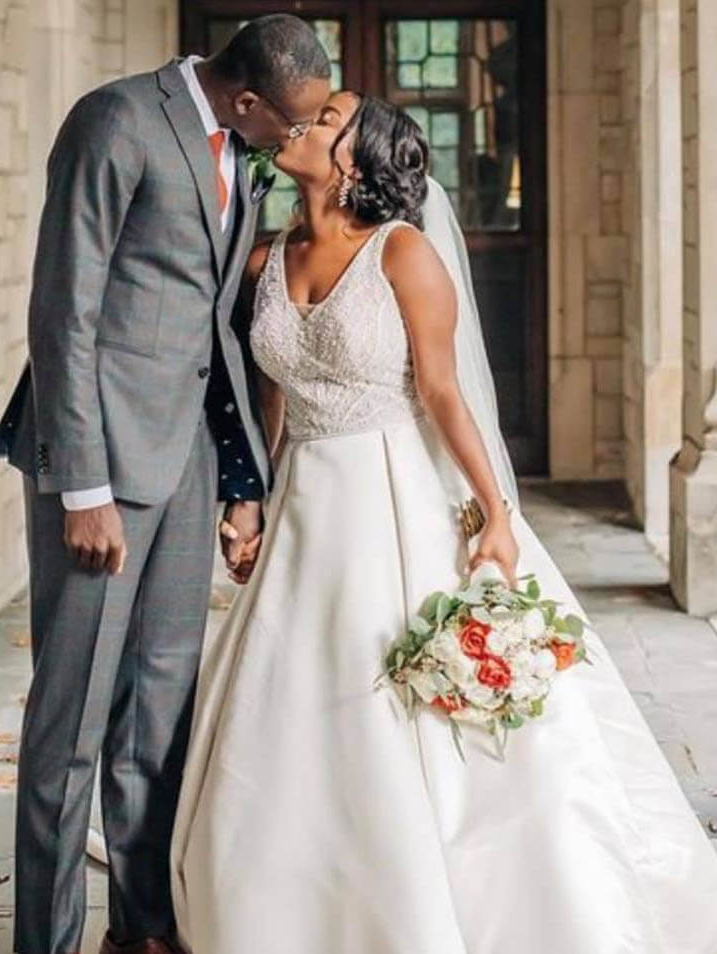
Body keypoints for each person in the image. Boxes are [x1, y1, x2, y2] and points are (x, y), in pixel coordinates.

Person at [169, 91, 717, 954]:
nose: (303, 122)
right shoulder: (267, 258)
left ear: (355, 157)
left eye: (328, 118)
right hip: (309, 497)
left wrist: (497, 513)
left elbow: (443, 391)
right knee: (294, 688)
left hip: (399, 495)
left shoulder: (404, 253)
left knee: (409, 696)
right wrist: (253, 500)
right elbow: (269, 395)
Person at [0, 17, 331, 954]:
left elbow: (215, 327)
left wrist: (238, 474)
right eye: (288, 126)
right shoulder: (115, 121)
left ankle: (142, 931)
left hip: (184, 463)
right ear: (247, 98)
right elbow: (65, 308)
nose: (294, 143)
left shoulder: (238, 151)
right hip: (100, 464)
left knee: (160, 715)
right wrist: (80, 485)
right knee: (73, 725)